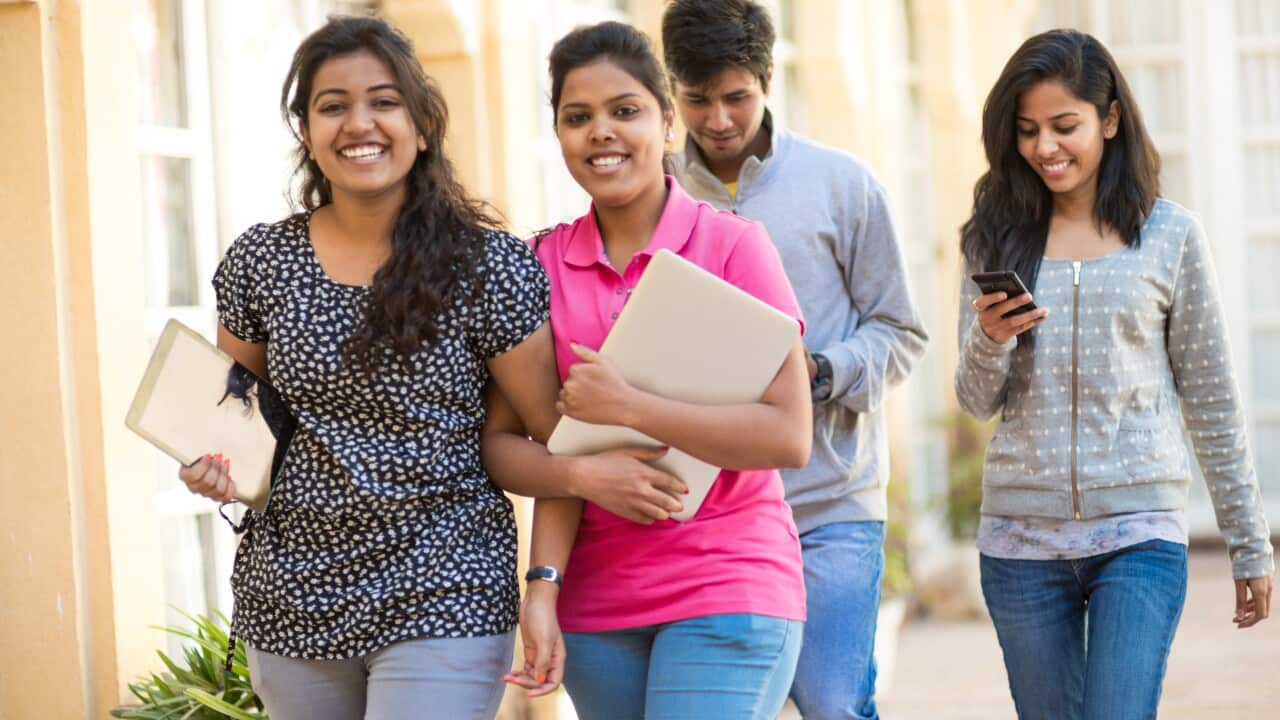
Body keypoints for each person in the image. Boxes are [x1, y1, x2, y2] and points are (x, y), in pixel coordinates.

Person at [176, 16, 565, 720]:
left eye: (385, 102)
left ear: (421, 125)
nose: (361, 123)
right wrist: (215, 469)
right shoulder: (261, 263)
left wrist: (543, 585)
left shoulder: (488, 268)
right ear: (306, 131)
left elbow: (553, 437)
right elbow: (233, 426)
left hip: (444, 585)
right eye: (333, 105)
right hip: (292, 594)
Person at [482, 21, 811, 720]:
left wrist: (629, 407)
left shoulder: (733, 248)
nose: (601, 131)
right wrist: (543, 583)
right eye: (578, 117)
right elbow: (503, 446)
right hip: (596, 607)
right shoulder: (533, 268)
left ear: (666, 123)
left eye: (624, 111)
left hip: (728, 582)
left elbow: (789, 435)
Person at [955, 29, 1274, 720]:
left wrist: (1249, 544)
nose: (1045, 147)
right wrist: (990, 339)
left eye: (1064, 126)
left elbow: (1212, 398)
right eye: (1027, 130)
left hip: (1138, 536)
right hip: (1020, 544)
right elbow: (977, 400)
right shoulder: (993, 236)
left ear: (1109, 118)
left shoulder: (1169, 235)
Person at [661, 2, 928, 718]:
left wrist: (824, 372)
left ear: (769, 78)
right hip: (704, 515)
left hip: (829, 503)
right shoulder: (648, 193)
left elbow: (902, 331)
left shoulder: (843, 185)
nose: (718, 119)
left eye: (736, 97)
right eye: (697, 100)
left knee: (832, 704)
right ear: (671, 90)